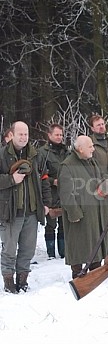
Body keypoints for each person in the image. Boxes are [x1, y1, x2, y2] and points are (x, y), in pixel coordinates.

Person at [0, 121, 51, 293]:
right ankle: (8, 282)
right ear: (12, 135)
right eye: (20, 134)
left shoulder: (35, 155)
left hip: (31, 211)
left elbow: (44, 181)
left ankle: (22, 281)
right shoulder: (2, 156)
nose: (23, 137)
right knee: (9, 249)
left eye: (26, 134)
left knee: (27, 249)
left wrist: (46, 203)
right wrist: (10, 180)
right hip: (10, 211)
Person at [58, 135, 108, 279]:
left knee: (97, 242)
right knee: (79, 246)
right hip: (81, 215)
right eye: (90, 146)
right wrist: (74, 213)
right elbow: (66, 194)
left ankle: (96, 273)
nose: (93, 149)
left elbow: (103, 177)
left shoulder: (92, 161)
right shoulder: (67, 166)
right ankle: (77, 275)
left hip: (98, 211)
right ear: (80, 149)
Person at [38, 124, 70, 259]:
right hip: (50, 192)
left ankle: (63, 251)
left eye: (61, 135)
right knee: (51, 224)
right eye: (56, 135)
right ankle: (51, 253)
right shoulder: (43, 152)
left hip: (65, 192)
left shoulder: (66, 151)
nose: (59, 137)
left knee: (64, 223)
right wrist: (53, 181)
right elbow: (40, 173)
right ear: (49, 135)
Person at [89, 115, 108, 250]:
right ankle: (100, 247)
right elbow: (91, 166)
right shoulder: (91, 144)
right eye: (98, 125)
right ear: (92, 128)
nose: (101, 127)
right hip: (99, 186)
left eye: (102, 124)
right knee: (101, 219)